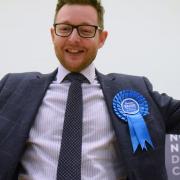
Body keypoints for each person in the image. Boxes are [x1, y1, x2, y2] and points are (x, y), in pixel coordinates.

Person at [0, 0, 179, 180]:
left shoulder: (136, 90)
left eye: (86, 30)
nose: (73, 39)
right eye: (64, 28)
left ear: (101, 38)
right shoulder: (12, 88)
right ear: (53, 34)